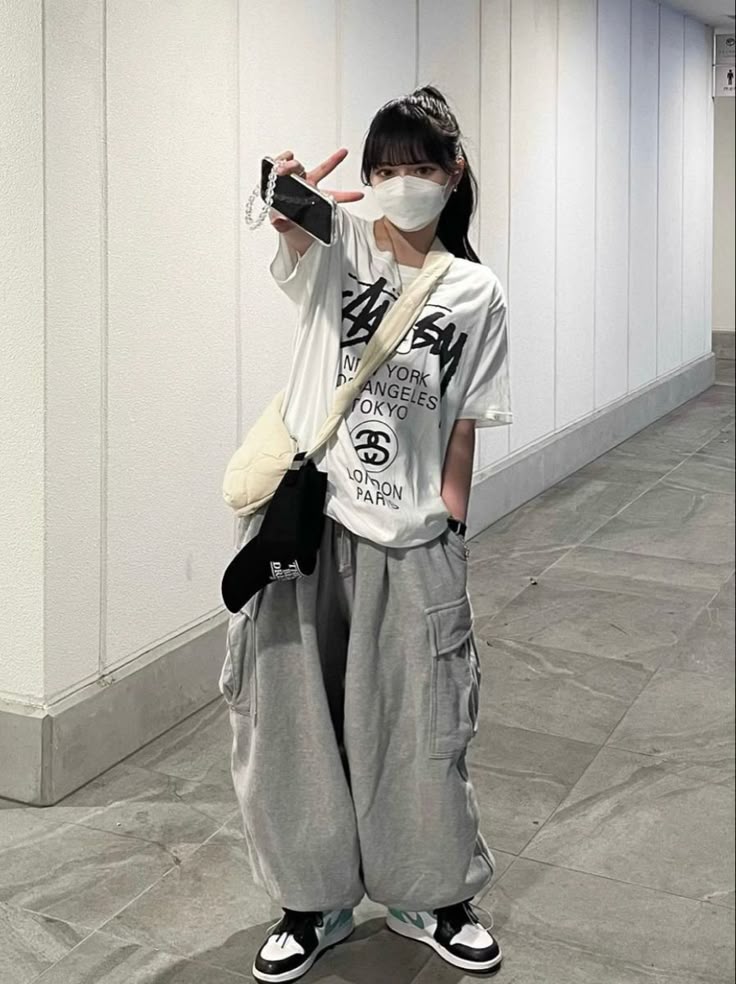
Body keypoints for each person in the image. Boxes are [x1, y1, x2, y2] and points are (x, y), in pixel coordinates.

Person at [220, 85, 512, 983]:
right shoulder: (343, 246)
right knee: (293, 727)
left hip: (411, 539)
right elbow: (289, 217)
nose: (400, 185)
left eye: (419, 168)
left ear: (453, 174)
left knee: (421, 727)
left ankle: (432, 894)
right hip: (308, 529)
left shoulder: (475, 292)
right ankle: (313, 904)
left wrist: (451, 519)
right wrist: (281, 194)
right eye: (385, 169)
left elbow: (464, 419)